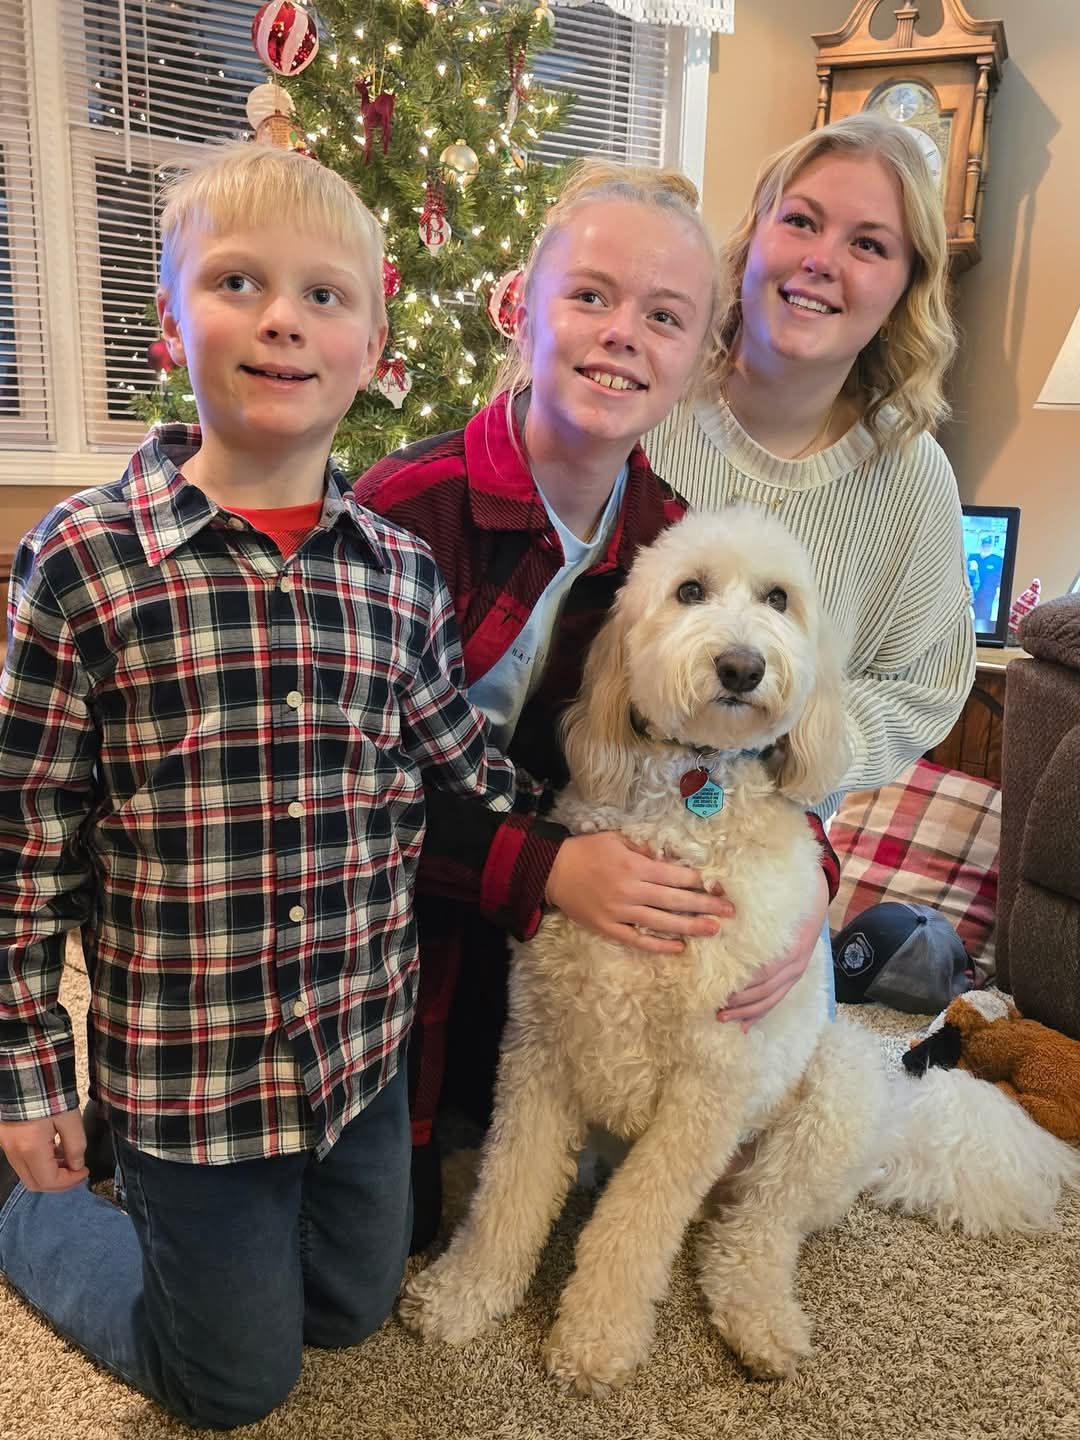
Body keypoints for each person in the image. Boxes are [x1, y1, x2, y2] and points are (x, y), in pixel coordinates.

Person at [0, 144, 519, 1430]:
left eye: (323, 295)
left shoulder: (399, 574)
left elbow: (462, 757)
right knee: (234, 1381)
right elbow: (24, 846)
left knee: (353, 1310)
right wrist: (28, 1074)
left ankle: (235, 1250)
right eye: (238, 282)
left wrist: (634, 803)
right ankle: (26, 1217)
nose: (283, 317)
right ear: (173, 325)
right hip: (189, 1076)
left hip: (357, 1049)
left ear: (373, 345)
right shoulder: (83, 562)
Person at [356, 159, 842, 1252]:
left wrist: (815, 877)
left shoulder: (674, 549)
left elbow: (740, 741)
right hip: (387, 924)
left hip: (533, 940)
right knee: (374, 1259)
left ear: (700, 357)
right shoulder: (404, 514)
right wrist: (543, 869)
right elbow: (337, 795)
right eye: (590, 295)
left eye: (664, 315)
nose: (623, 333)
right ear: (524, 308)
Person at [648, 113, 975, 825]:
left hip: (775, 832)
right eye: (801, 221)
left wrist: (786, 739)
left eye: (868, 244)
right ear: (752, 238)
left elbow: (924, 686)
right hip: (592, 811)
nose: (822, 260)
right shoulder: (648, 406)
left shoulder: (913, 481)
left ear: (906, 287)